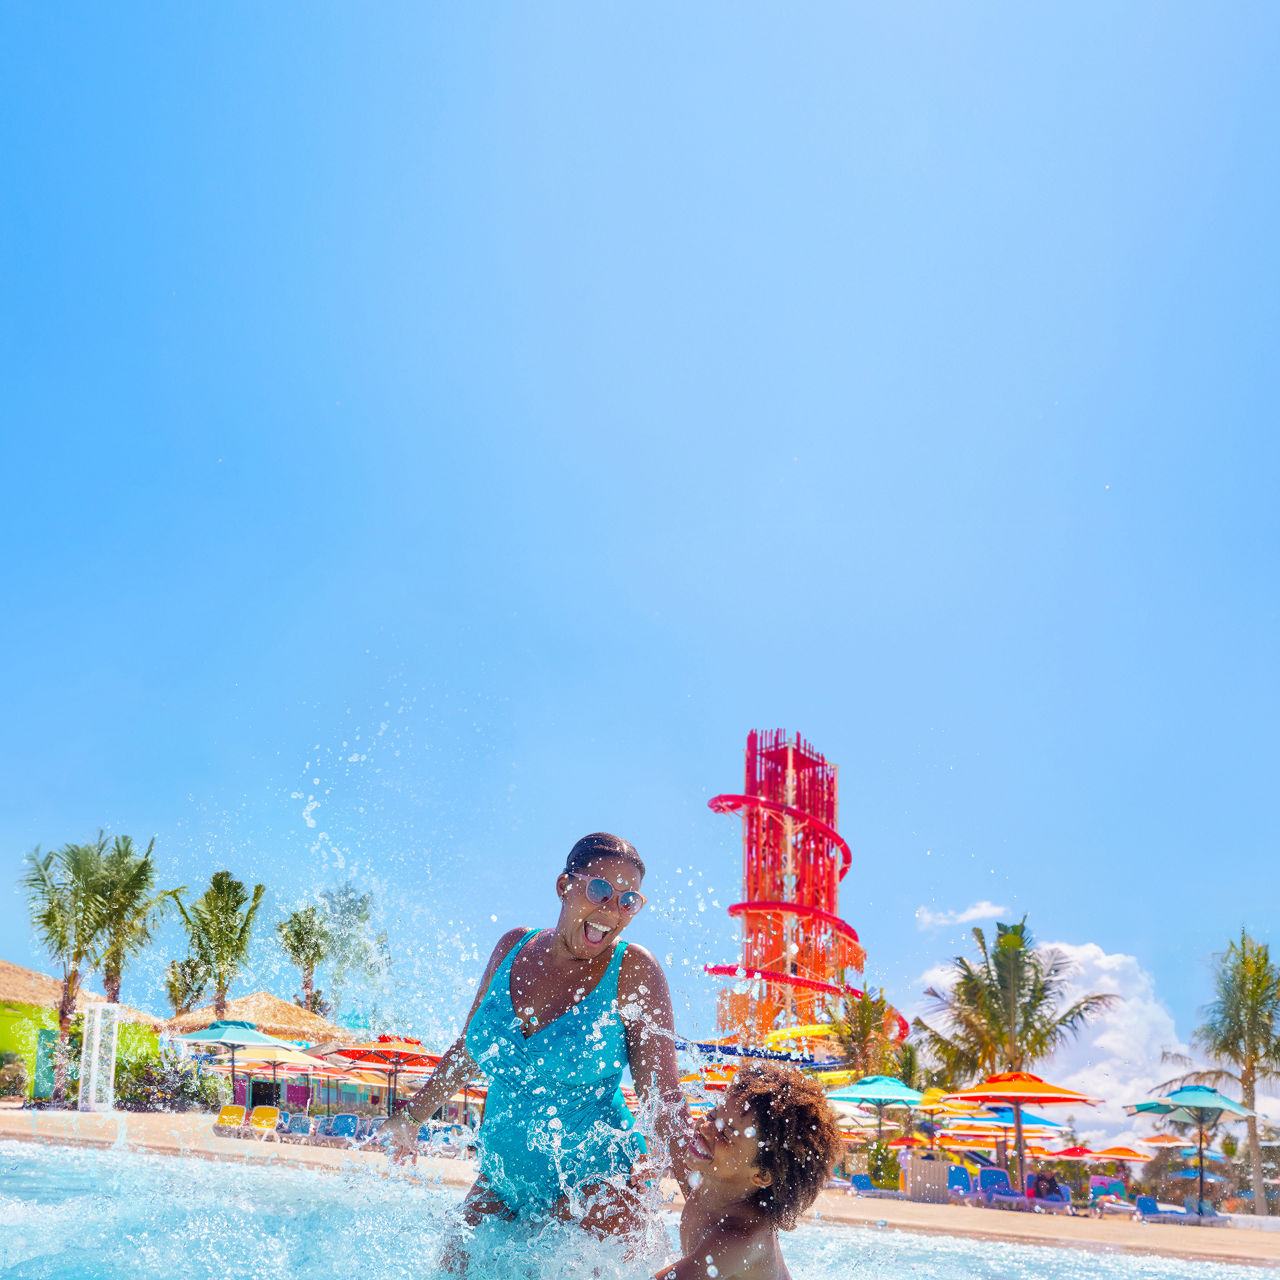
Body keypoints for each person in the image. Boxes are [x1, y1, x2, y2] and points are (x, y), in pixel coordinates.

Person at [382, 832, 688, 1262]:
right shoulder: (512, 947)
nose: (611, 910)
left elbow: (664, 1100)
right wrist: (410, 1119)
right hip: (503, 1181)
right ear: (564, 885)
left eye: (628, 900)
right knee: (450, 1263)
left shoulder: (633, 971)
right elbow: (470, 1048)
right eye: (600, 889)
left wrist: (706, 1201)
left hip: (595, 1189)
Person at [654, 1062, 843, 1280]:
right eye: (713, 1115)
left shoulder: (740, 1238)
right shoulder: (711, 1184)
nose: (705, 1128)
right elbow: (668, 1120)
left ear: (761, 1175)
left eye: (726, 1135)